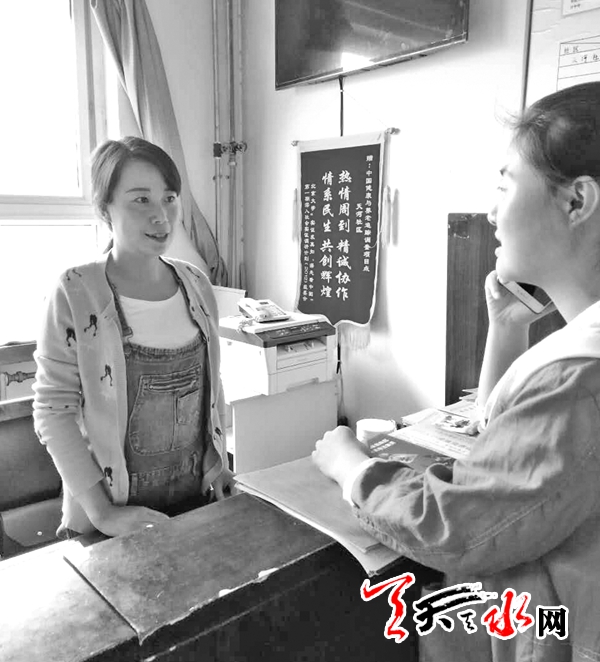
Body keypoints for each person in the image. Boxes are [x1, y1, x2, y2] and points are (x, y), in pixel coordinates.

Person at [313, 81, 600, 661]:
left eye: (505, 184)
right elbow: (504, 448)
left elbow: (459, 525)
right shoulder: (576, 360)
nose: (491, 211)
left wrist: (352, 468)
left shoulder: (578, 382)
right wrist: (506, 327)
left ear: (577, 202)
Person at [33, 136, 233, 539]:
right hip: (108, 522)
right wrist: (104, 514)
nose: (161, 215)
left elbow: (210, 390)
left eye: (169, 198)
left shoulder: (195, 283)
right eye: (141, 200)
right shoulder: (76, 290)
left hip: (192, 505)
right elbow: (53, 412)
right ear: (104, 207)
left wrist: (218, 465)